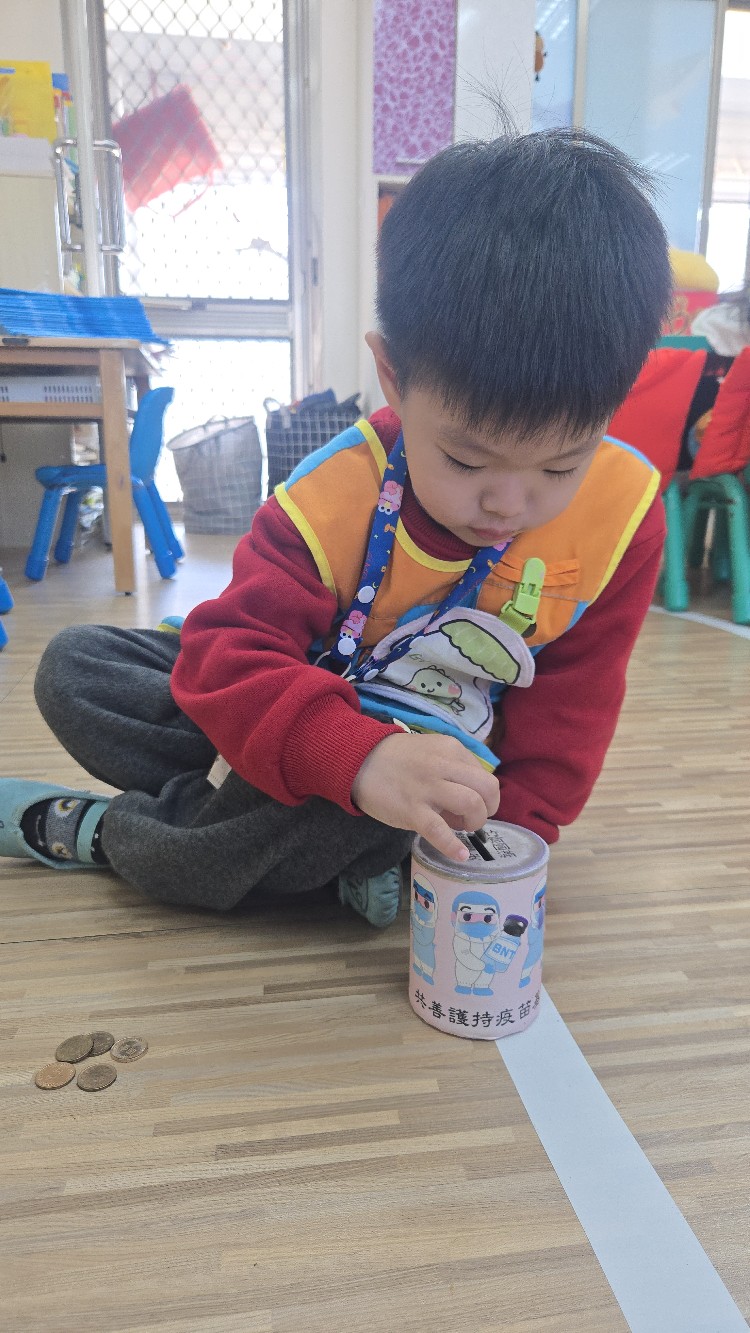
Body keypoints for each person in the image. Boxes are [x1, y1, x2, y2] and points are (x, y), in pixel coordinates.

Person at [0, 129, 671, 928]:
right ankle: (316, 841)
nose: (507, 504)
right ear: (392, 376)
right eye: (465, 459)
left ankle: (122, 834)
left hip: (429, 766)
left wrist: (499, 842)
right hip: (317, 710)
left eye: (560, 466)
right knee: (78, 666)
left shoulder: (625, 514)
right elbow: (224, 655)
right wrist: (357, 756)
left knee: (310, 820)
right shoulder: (331, 494)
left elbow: (572, 713)